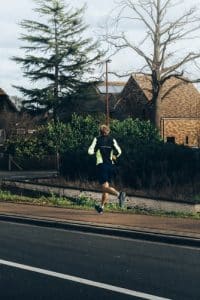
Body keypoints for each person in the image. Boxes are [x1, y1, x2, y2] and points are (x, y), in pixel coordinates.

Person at [88, 124, 126, 214]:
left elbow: (89, 151)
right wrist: (114, 156)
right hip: (111, 166)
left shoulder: (97, 139)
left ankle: (119, 194)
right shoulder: (112, 139)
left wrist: (94, 152)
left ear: (100, 132)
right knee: (106, 187)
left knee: (104, 187)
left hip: (102, 165)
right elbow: (120, 151)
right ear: (108, 131)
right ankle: (101, 207)